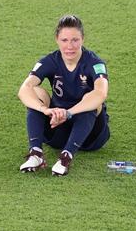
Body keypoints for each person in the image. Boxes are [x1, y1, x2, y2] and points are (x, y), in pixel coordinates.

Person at [17, 14, 110, 176]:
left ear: (83, 39)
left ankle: (66, 156)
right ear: (57, 40)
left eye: (75, 40)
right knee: (36, 92)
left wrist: (69, 113)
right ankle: (36, 153)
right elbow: (24, 89)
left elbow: (101, 93)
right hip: (57, 129)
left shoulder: (95, 63)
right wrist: (45, 110)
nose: (70, 46)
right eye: (65, 40)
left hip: (90, 136)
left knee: (91, 101)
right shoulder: (49, 61)